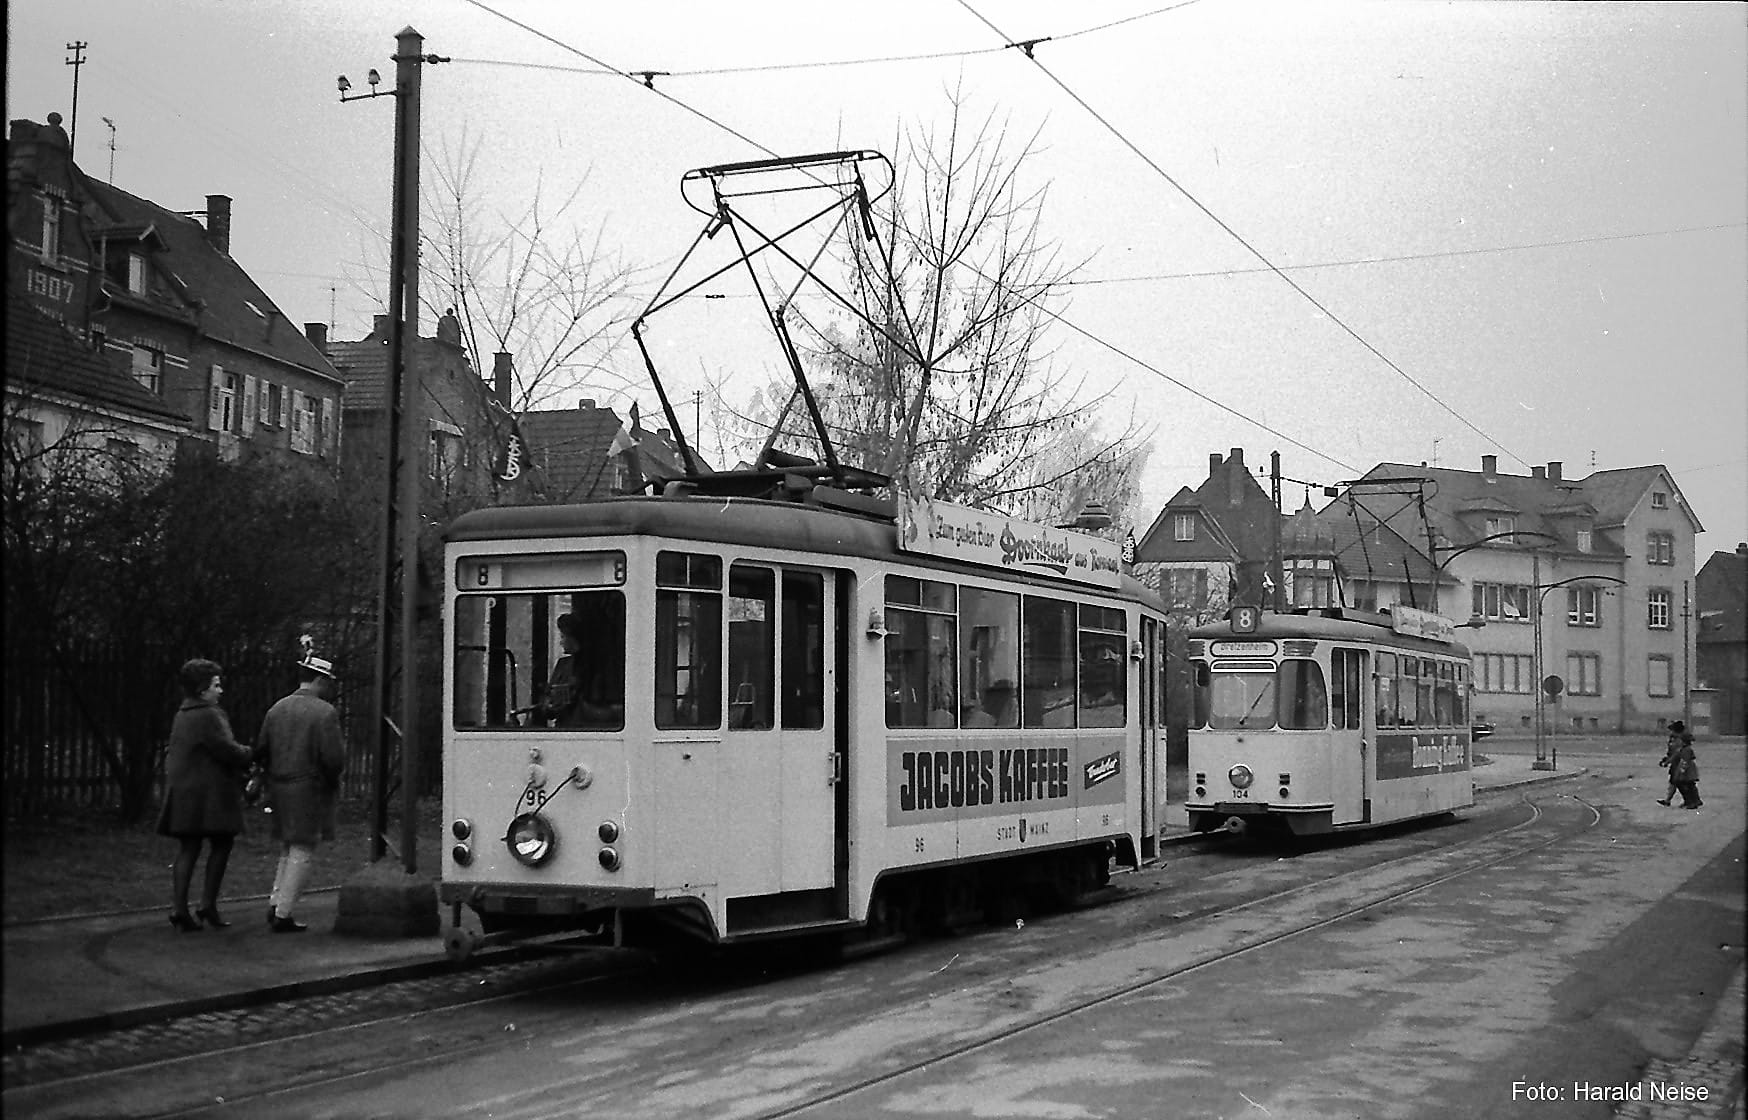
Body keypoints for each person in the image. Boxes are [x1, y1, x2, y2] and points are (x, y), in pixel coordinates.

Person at [155, 658, 252, 932]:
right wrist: (250, 753)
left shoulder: (183, 713)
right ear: (202, 688)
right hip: (210, 793)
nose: (220, 691)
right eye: (216, 685)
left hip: (184, 790)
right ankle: (207, 904)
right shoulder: (210, 714)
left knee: (189, 847)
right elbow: (226, 749)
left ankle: (179, 907)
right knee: (222, 843)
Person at [254, 653, 346, 932]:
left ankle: (275, 902)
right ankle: (284, 912)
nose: (330, 687)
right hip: (309, 787)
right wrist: (331, 780)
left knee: (287, 846)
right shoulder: (324, 712)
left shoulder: (277, 708)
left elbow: (262, 749)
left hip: (279, 785)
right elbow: (333, 759)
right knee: (303, 849)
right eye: (328, 681)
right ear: (319, 680)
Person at [538, 614, 584, 727]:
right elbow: (548, 699)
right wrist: (548, 704)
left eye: (563, 637)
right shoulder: (562, 664)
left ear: (573, 638)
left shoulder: (589, 666)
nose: (561, 642)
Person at [1664, 723, 1703, 810]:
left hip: (1686, 770)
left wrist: (1681, 771)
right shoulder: (1682, 747)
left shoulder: (1685, 749)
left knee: (1685, 786)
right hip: (1685, 769)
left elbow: (1684, 761)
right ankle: (1693, 801)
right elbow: (1675, 755)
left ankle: (1691, 801)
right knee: (1688, 785)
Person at [1655, 720, 1691, 805]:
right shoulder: (1674, 739)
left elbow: (1676, 753)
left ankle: (1687, 800)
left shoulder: (1679, 740)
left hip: (1679, 764)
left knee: (1680, 783)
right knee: (1674, 782)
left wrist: (1667, 761)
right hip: (1675, 763)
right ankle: (1668, 800)